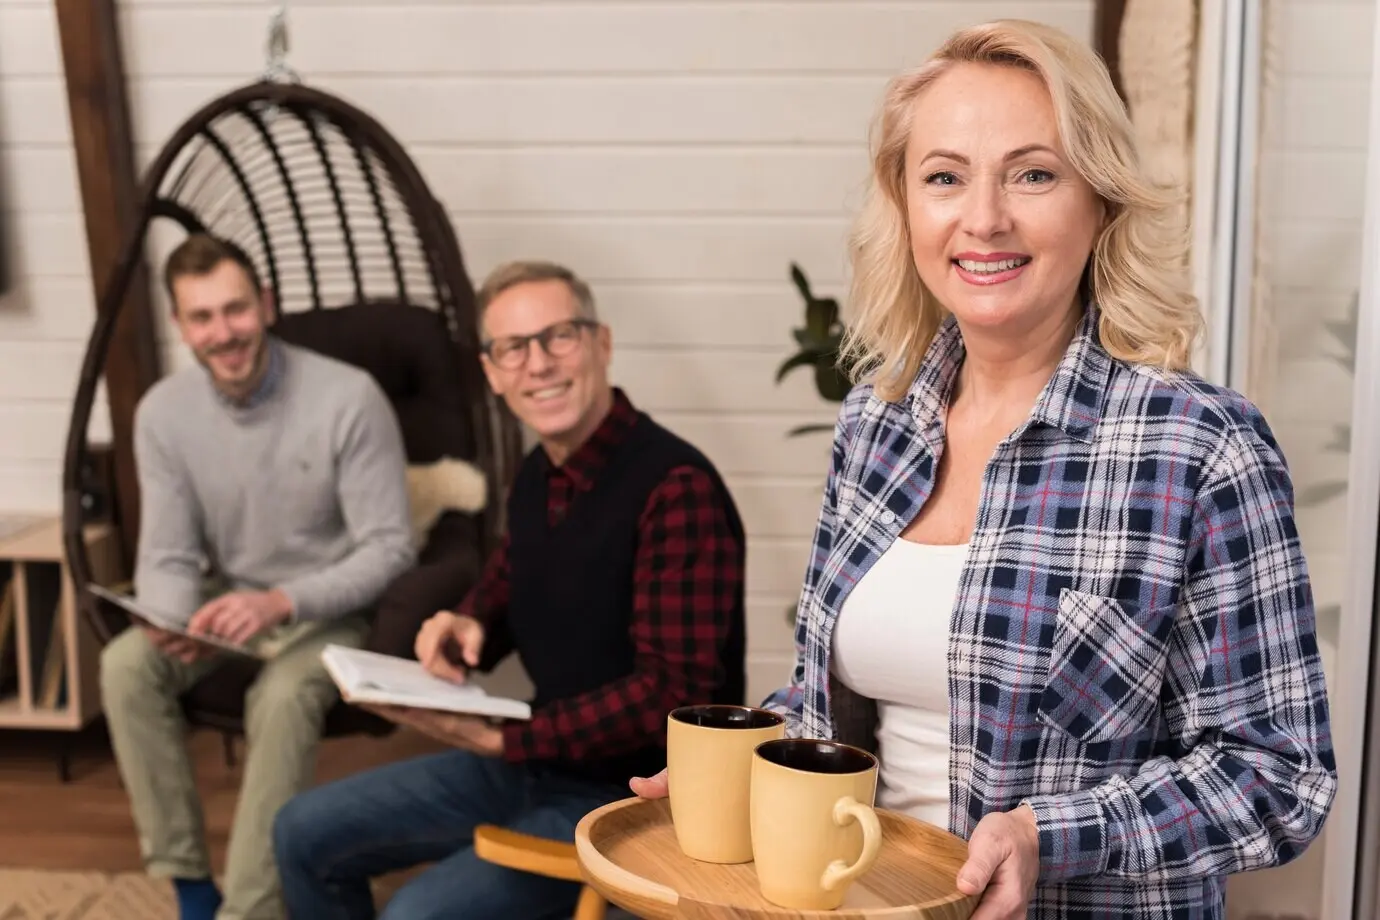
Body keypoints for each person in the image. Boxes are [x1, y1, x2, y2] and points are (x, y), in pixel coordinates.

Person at [632, 19, 1337, 920]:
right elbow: (838, 696)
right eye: (944, 177)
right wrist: (741, 761)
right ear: (907, 209)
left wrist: (1053, 833)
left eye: (1033, 173)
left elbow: (1281, 775)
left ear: (1101, 200)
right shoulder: (873, 427)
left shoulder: (1199, 448)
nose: (984, 218)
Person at [271, 259, 748, 920]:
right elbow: (505, 583)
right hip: (535, 765)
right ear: (491, 372)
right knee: (301, 830)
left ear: (600, 343)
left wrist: (510, 740)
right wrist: (466, 624)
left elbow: (673, 693)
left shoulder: (675, 489)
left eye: (559, 337)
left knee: (416, 916)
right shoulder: (537, 475)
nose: (539, 364)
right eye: (513, 349)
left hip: (635, 802)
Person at [99, 233, 417, 920]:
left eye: (236, 309)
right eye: (203, 317)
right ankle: (189, 887)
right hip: (229, 598)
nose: (224, 332)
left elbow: (390, 549)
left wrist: (280, 602)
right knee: (126, 668)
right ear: (182, 326)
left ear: (266, 306)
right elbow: (168, 550)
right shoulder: (162, 412)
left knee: (280, 699)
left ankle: (249, 910)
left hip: (326, 607)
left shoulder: (348, 398)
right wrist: (171, 618)